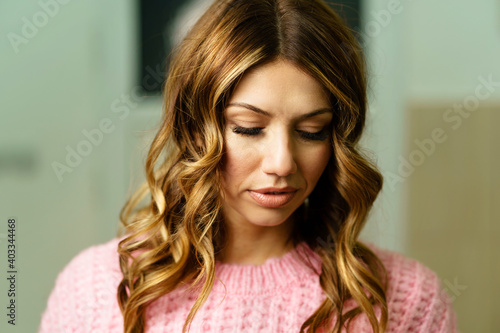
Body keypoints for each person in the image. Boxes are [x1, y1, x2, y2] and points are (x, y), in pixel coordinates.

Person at [39, 0, 459, 332]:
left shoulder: (404, 299)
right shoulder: (95, 289)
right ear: (194, 129)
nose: (281, 163)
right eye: (249, 128)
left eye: (312, 131)